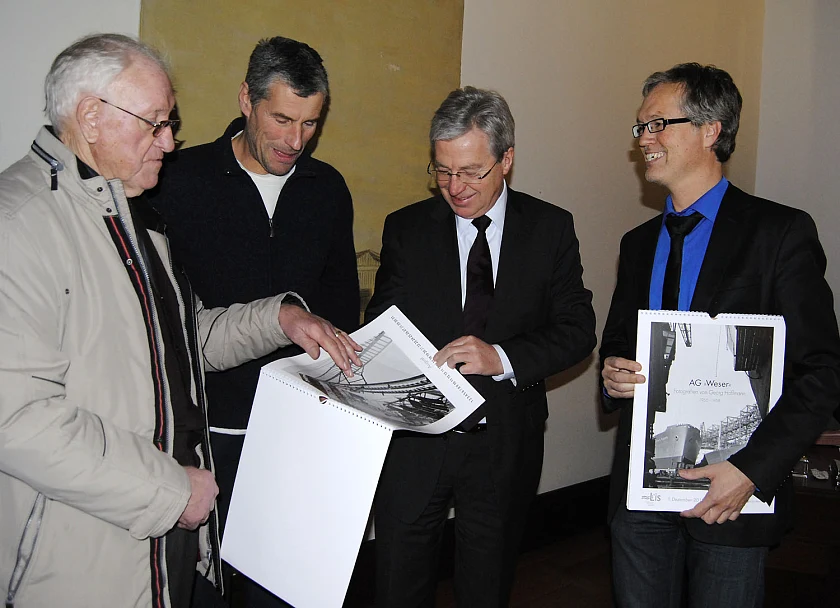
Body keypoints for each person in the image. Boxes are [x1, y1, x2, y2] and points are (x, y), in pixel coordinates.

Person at [0, 33, 360, 608]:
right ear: (91, 117)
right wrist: (170, 490)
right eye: (155, 123)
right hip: (78, 547)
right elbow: (17, 421)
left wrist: (281, 317)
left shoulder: (126, 221)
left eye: (170, 123)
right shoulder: (19, 224)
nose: (170, 142)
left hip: (148, 537)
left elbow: (185, 341)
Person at [600, 62, 840, 606]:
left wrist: (752, 471)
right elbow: (619, 339)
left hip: (733, 490)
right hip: (642, 491)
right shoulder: (637, 243)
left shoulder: (779, 233)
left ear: (712, 131)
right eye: (641, 127)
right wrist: (613, 372)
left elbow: (824, 370)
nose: (645, 140)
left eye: (659, 124)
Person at [365, 86, 596, 607]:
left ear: (506, 159)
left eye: (471, 172)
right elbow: (382, 319)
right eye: (443, 171)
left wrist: (503, 358)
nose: (455, 187)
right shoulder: (407, 228)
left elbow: (577, 328)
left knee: (486, 587)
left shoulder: (549, 228)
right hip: (418, 442)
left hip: (502, 445)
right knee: (398, 583)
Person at [148, 36, 359, 604]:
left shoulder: (328, 190)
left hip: (296, 430)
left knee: (280, 590)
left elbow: (342, 309)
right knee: (201, 587)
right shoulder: (175, 179)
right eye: (283, 119)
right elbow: (163, 321)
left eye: (311, 124)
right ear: (247, 99)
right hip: (205, 430)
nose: (296, 141)